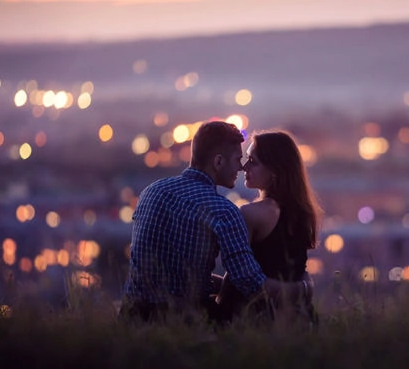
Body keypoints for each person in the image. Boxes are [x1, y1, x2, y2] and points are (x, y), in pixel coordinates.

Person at [119, 121, 310, 324]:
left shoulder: (151, 191)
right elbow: (251, 283)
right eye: (238, 159)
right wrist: (302, 289)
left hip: (132, 317)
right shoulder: (222, 211)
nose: (241, 166)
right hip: (184, 322)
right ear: (218, 162)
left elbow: (169, 272)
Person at [218, 130, 322, 323]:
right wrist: (304, 289)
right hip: (297, 317)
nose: (244, 167)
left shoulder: (251, 213)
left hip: (254, 319)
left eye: (253, 161)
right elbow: (296, 272)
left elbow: (237, 278)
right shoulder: (302, 213)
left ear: (274, 171)